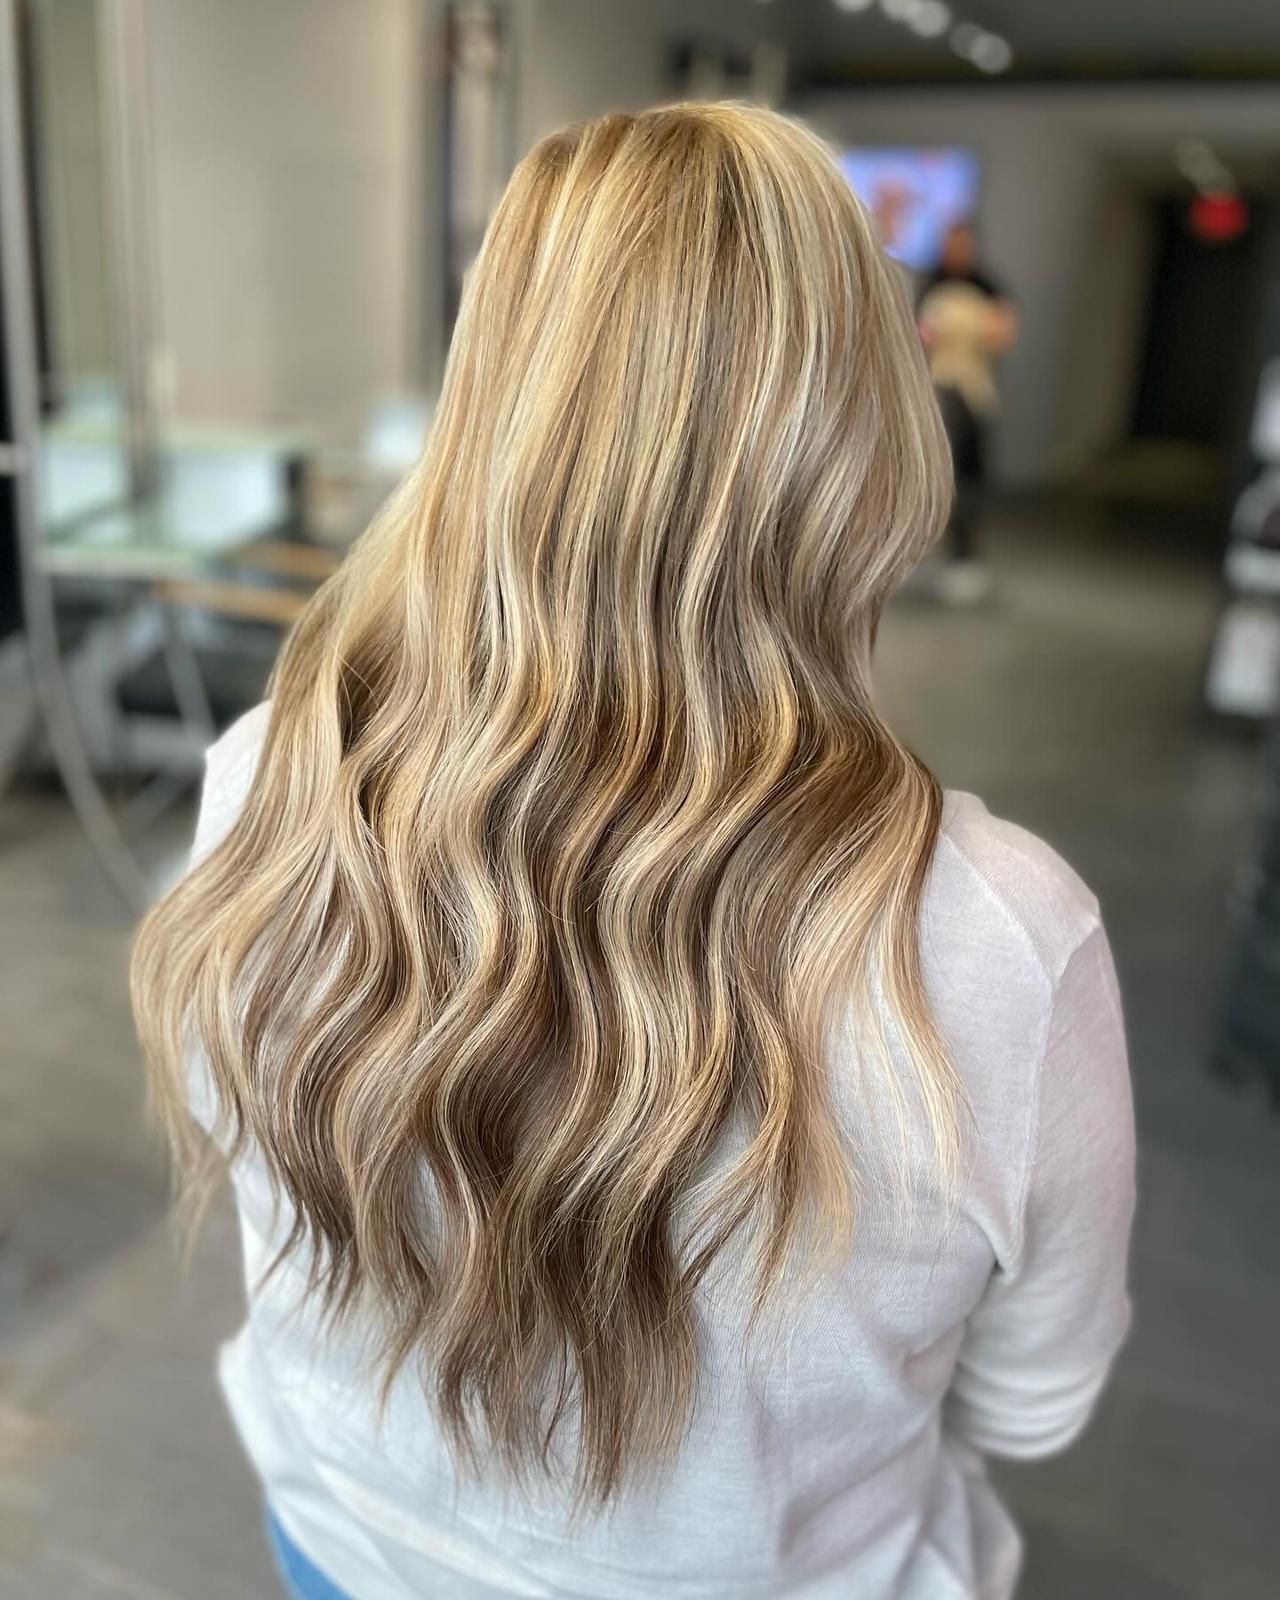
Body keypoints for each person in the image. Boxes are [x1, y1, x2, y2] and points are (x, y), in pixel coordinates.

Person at [131, 105, 1133, 1600]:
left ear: (493, 395)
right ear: (860, 425)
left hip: (345, 1548)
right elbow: (1031, 1405)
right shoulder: (998, 945)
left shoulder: (267, 781)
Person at [918, 220, 1018, 602]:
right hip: (934, 388)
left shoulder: (988, 285)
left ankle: (963, 558)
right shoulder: (929, 282)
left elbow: (1003, 332)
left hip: (972, 391)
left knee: (969, 478)